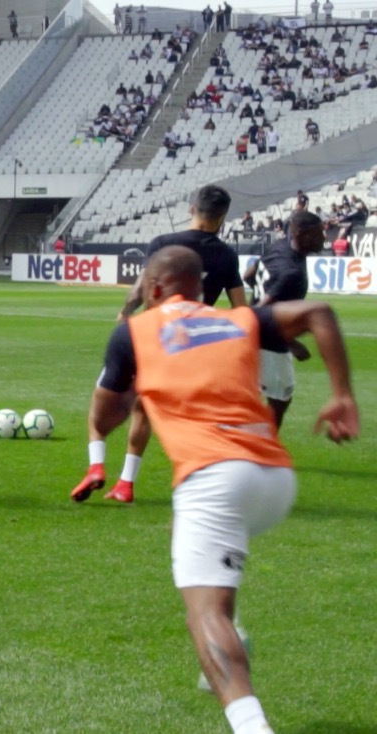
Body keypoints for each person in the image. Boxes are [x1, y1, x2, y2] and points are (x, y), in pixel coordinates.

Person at [85, 245, 358, 734]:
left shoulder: (135, 330)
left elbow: (106, 417)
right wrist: (341, 396)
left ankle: (252, 727)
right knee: (195, 544)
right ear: (198, 288)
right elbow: (319, 312)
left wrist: (132, 386)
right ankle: (234, 634)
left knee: (201, 612)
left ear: (154, 289)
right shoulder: (238, 320)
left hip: (214, 476)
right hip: (274, 477)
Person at [72, 185, 246, 504]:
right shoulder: (226, 255)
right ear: (222, 217)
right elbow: (240, 309)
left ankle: (96, 466)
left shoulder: (164, 244)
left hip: (148, 335)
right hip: (187, 346)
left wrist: (125, 312)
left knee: (103, 402)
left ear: (192, 208)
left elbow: (141, 288)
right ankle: (126, 483)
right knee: (143, 410)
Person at [243, 211, 326, 428]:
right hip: (270, 344)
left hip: (256, 339)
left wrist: (261, 291)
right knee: (278, 401)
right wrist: (293, 344)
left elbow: (248, 275)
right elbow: (262, 311)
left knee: (267, 398)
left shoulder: (279, 246)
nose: (324, 238)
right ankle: (262, 453)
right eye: (318, 234)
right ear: (301, 234)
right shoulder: (292, 272)